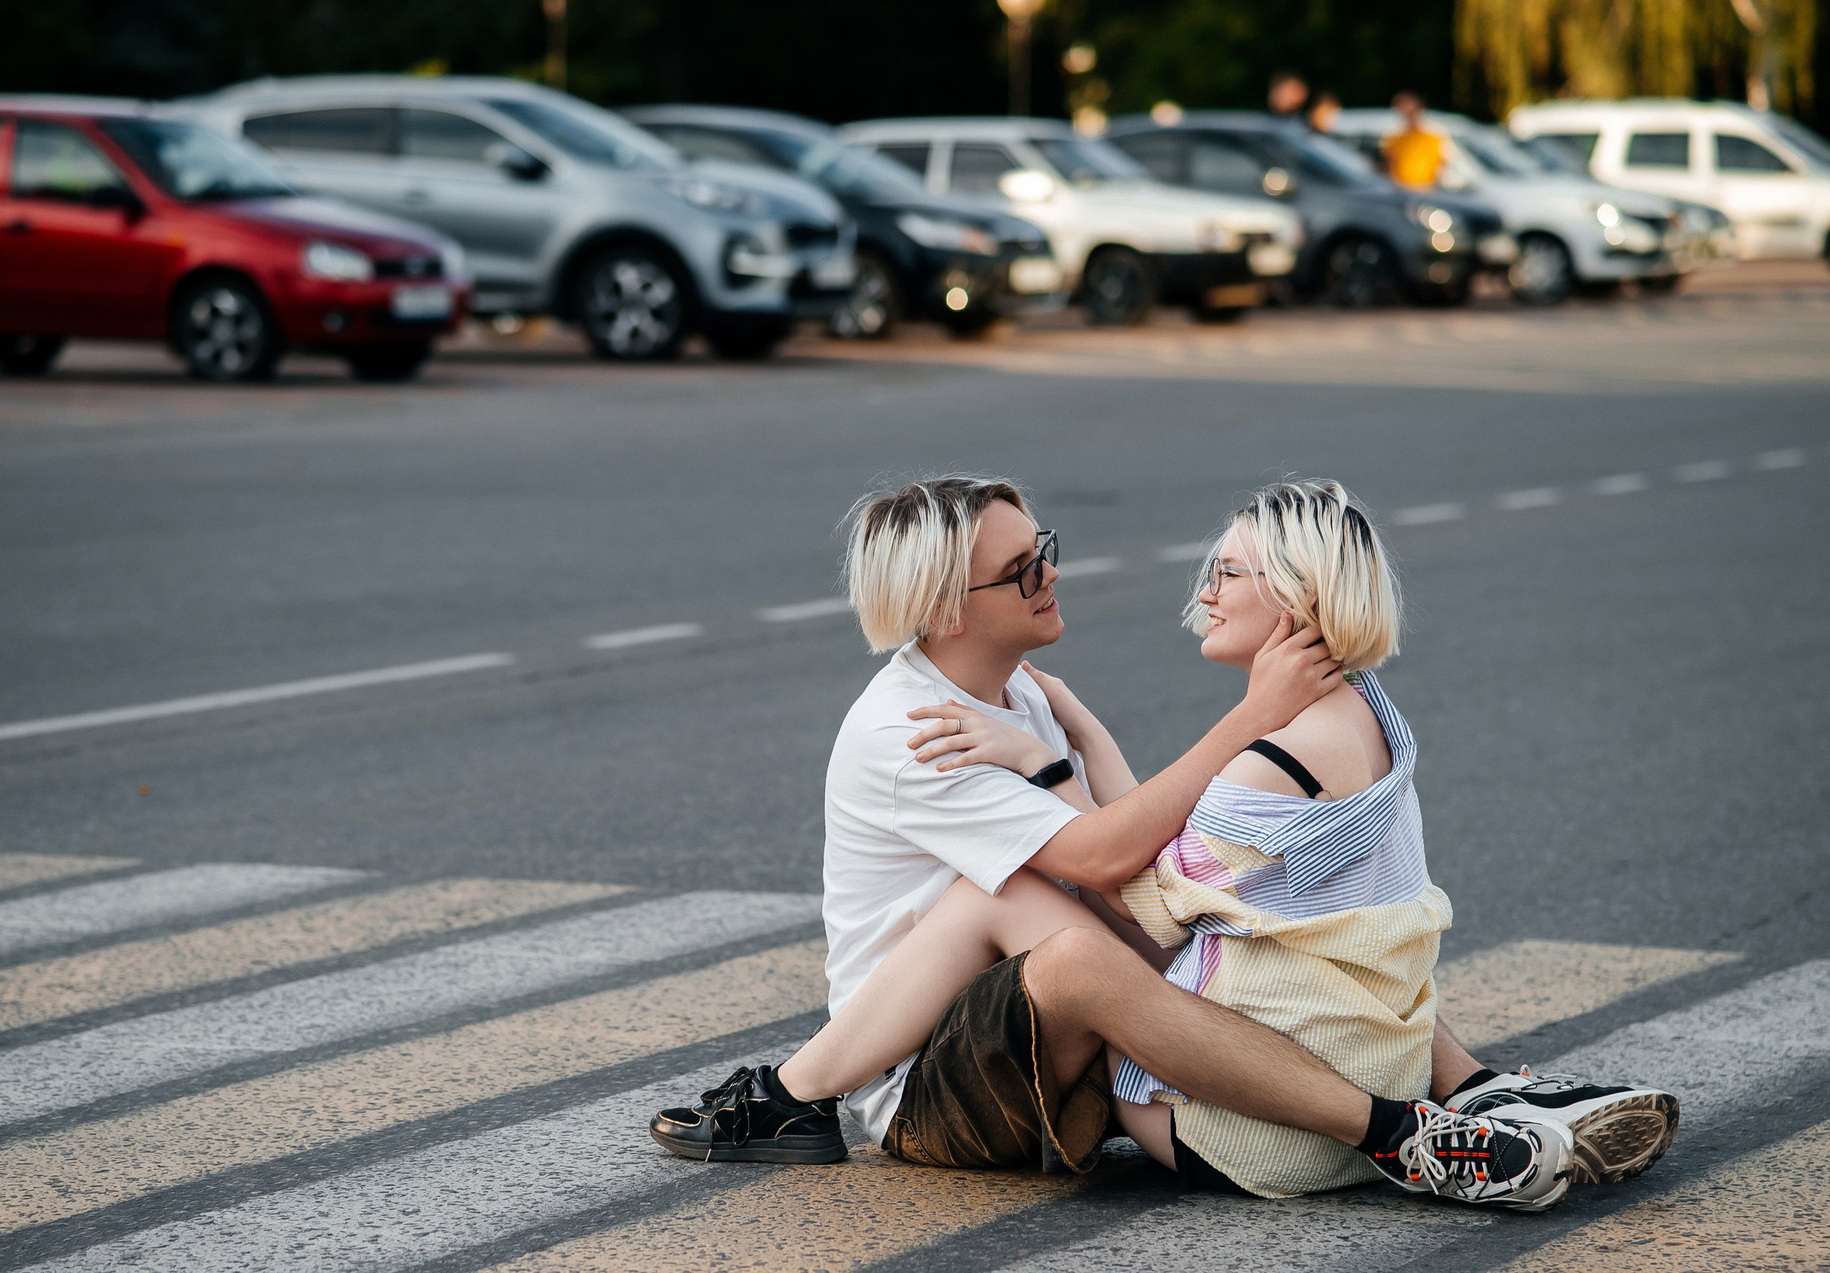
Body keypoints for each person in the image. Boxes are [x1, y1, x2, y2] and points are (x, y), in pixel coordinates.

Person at [652, 478, 1672, 1209]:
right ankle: (1403, 1134)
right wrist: (1240, 719)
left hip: (1057, 1046)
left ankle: (1471, 1096)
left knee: (1248, 925)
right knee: (1009, 905)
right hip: (933, 1085)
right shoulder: (916, 730)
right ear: (940, 608)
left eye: (1044, 544)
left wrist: (1069, 739)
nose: (1051, 571)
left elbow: (1135, 866)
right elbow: (1102, 868)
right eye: (1021, 568)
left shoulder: (1013, 698)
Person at [1380, 91, 1448, 189]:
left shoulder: (1434, 134)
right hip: (1401, 190)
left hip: (1426, 188)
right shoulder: (1394, 135)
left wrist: (1434, 185)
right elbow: (1389, 163)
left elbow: (1442, 163)